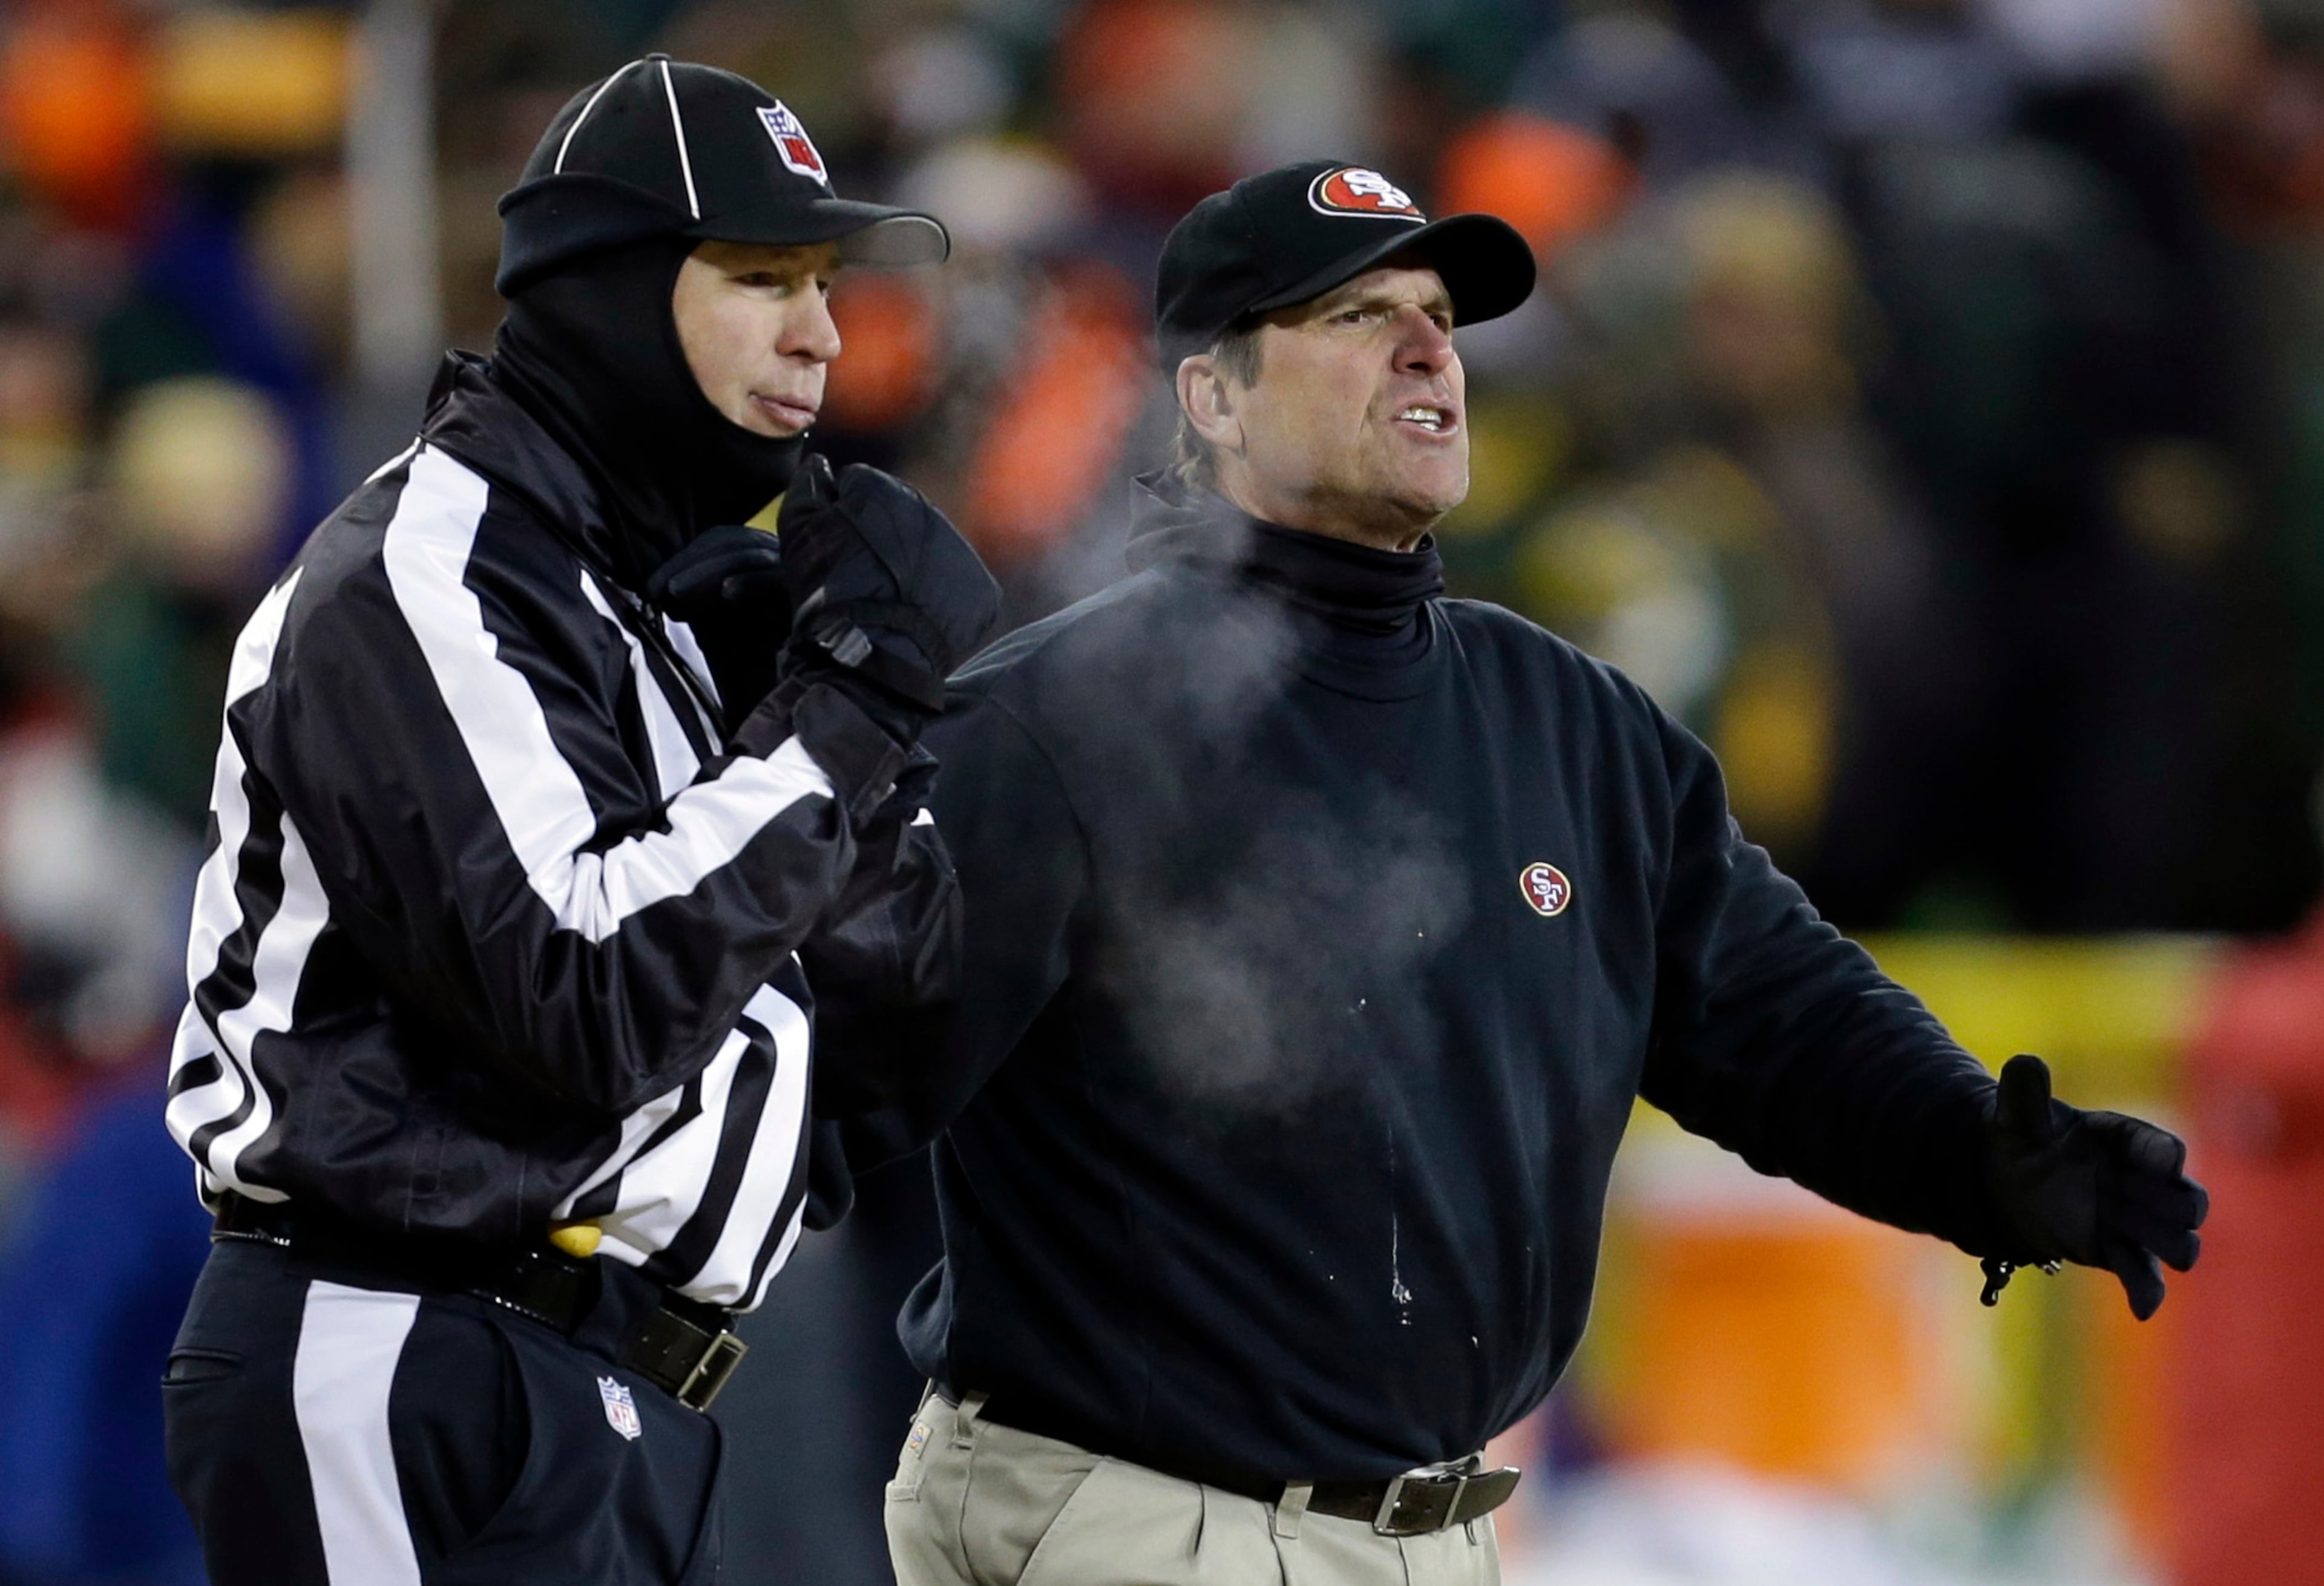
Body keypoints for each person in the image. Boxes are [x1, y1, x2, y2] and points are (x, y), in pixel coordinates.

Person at [850, 161, 2210, 1586]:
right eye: (1359, 314)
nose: (1430, 347)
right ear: (1214, 397)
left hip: (1439, 1530)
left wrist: (1979, 1158)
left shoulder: (1569, 719)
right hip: (1138, 1518)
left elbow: (1773, 1015)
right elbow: (841, 1086)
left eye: (1437, 314)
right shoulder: (1058, 718)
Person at [159, 56, 997, 1586]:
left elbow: (875, 1081)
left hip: (621, 1388)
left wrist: (864, 765)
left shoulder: (666, 621)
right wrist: (838, 722)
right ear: (610, 293)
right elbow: (589, 999)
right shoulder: (424, 572)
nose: (821, 331)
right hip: (410, 1353)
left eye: (822, 282)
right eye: (761, 277)